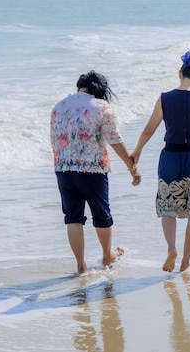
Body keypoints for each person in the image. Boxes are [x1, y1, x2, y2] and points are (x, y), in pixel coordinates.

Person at [132, 52, 190, 272]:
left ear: (180, 74)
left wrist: (136, 152)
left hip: (171, 157)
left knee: (167, 208)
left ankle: (171, 248)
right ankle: (185, 261)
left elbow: (148, 130)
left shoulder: (164, 98)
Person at [50, 70, 141, 275]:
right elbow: (114, 139)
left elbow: (54, 142)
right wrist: (132, 167)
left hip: (64, 168)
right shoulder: (101, 107)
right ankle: (107, 256)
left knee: (73, 217)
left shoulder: (59, 106)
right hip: (92, 168)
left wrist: (63, 164)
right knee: (101, 215)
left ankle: (81, 266)